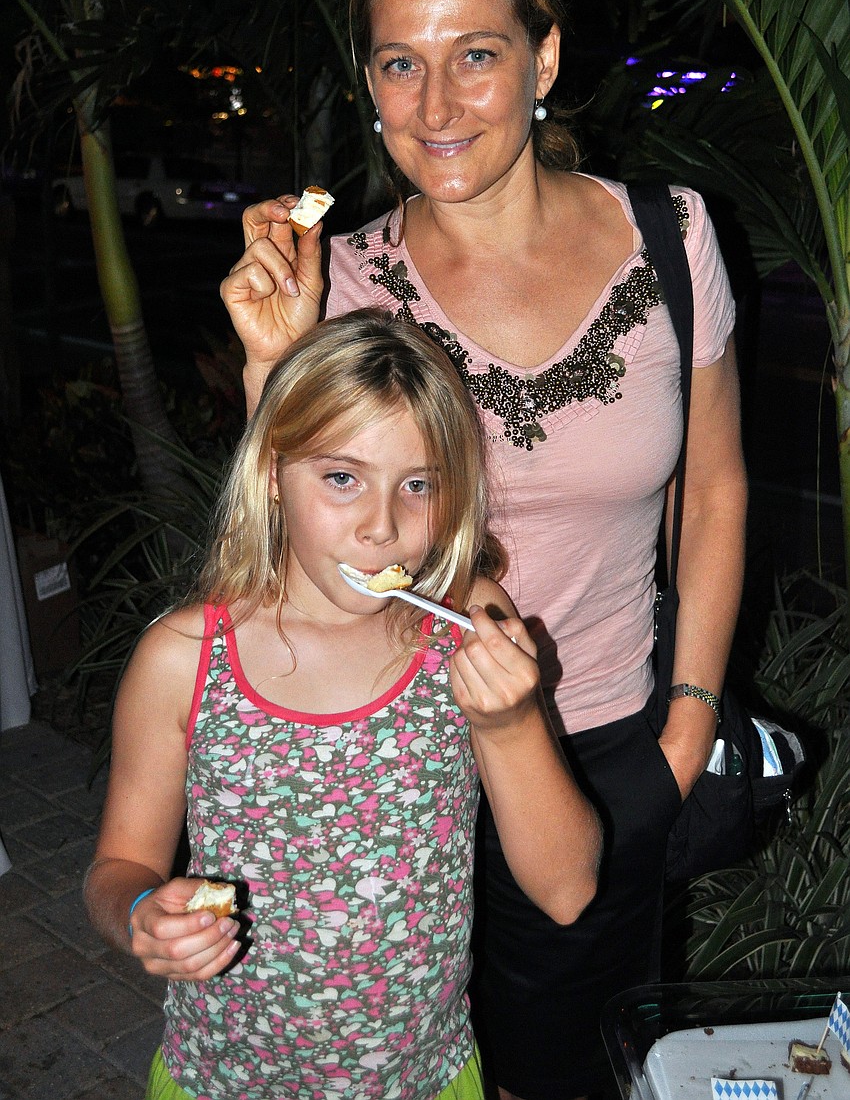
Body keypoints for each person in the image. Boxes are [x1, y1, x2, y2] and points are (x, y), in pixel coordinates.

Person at [221, 0, 748, 1100]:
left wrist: (684, 729)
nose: (439, 105)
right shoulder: (340, 281)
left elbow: (712, 492)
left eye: (477, 55)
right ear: (369, 80)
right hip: (390, 755)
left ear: (543, 59)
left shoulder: (665, 237)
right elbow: (297, 548)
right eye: (401, 64)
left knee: (566, 1071)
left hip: (607, 736)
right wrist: (271, 364)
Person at [84, 309, 601, 1100]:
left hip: (425, 1080)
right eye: (341, 478)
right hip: (222, 1081)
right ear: (271, 475)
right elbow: (118, 868)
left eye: (418, 485)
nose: (383, 528)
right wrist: (142, 912)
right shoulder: (183, 660)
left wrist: (512, 722)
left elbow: (568, 890)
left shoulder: (465, 632)